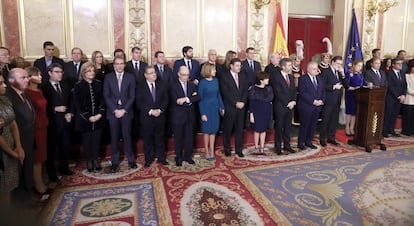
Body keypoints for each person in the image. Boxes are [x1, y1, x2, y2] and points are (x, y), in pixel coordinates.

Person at [103, 56, 137, 173]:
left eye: (121, 63)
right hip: (113, 114)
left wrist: (124, 110)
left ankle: (131, 160)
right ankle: (114, 162)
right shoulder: (108, 78)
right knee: (114, 138)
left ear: (124, 65)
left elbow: (132, 96)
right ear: (114, 65)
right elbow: (106, 96)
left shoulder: (130, 77)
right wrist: (115, 110)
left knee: (127, 137)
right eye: (117, 64)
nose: (119, 66)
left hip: (126, 113)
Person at [42, 63, 74, 182]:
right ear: (50, 73)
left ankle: (64, 168)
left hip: (65, 122)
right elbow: (42, 107)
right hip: (52, 124)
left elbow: (71, 102)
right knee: (51, 149)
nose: (60, 74)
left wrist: (70, 113)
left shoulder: (65, 86)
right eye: (57, 72)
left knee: (65, 146)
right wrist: (55, 109)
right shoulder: (44, 88)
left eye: (61, 72)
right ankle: (51, 173)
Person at [6, 68, 35, 192]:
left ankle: (28, 197)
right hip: (16, 142)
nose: (27, 79)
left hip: (29, 139)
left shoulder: (24, 93)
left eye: (27, 77)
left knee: (28, 170)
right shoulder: (8, 97)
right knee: (19, 175)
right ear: (11, 80)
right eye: (23, 78)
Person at [73, 62, 106, 172]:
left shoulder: (98, 83)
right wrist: (88, 117)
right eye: (89, 71)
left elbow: (102, 100)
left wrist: (100, 114)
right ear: (84, 72)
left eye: (93, 71)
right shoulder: (78, 85)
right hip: (85, 120)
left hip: (98, 118)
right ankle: (89, 160)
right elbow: (78, 104)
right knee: (87, 141)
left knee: (97, 140)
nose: (92, 73)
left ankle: (95, 159)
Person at [136, 66, 168, 167]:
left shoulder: (161, 84)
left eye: (154, 72)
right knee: (147, 139)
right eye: (150, 73)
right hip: (147, 118)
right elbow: (139, 102)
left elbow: (166, 99)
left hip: (160, 117)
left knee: (160, 139)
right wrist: (150, 111)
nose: (154, 74)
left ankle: (161, 158)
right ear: (145, 75)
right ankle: (148, 159)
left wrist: (160, 110)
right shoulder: (140, 86)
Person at [25, 67, 50, 197]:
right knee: (37, 158)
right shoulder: (26, 92)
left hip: (43, 126)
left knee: (42, 156)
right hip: (35, 128)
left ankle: (41, 181)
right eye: (37, 75)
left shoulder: (39, 91)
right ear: (29, 77)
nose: (41, 76)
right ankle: (38, 185)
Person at [0, 73, 24, 198]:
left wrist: (18, 146)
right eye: (0, 83)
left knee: (9, 184)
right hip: (3, 150)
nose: (5, 85)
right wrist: (12, 153)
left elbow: (13, 122)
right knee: (3, 185)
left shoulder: (5, 99)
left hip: (12, 144)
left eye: (4, 82)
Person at [169, 66, 200, 166]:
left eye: (187, 75)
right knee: (178, 138)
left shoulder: (191, 85)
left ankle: (188, 156)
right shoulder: (173, 85)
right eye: (184, 75)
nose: (186, 77)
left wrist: (186, 99)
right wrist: (190, 99)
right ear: (178, 74)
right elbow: (176, 100)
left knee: (189, 138)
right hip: (178, 116)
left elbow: (198, 97)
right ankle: (179, 157)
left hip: (190, 116)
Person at [219, 58, 248, 157]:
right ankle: (227, 149)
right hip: (230, 107)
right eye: (237, 65)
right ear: (231, 66)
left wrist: (243, 102)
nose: (239, 68)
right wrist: (235, 102)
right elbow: (225, 92)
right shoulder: (224, 76)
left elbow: (245, 91)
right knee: (227, 129)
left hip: (241, 108)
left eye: (240, 66)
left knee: (239, 130)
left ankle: (238, 150)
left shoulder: (243, 76)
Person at [319, 56, 348, 146]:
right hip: (328, 100)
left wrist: (343, 74)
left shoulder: (339, 73)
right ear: (332, 62)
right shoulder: (326, 72)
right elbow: (322, 86)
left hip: (337, 100)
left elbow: (346, 85)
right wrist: (333, 87)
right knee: (326, 120)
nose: (339, 66)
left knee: (334, 120)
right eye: (337, 63)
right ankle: (322, 138)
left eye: (340, 64)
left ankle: (331, 137)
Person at [270, 58, 296, 155]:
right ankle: (277, 147)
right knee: (279, 127)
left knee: (288, 127)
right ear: (283, 66)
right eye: (289, 65)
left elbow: (294, 90)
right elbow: (278, 93)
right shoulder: (276, 77)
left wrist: (293, 101)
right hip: (280, 106)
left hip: (290, 106)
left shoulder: (290, 77)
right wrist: (288, 103)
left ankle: (287, 145)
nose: (291, 67)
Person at [198, 63, 224, 160]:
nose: (215, 71)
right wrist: (203, 113)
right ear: (208, 70)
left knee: (213, 131)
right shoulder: (202, 82)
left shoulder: (216, 81)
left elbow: (218, 95)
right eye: (213, 70)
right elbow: (200, 99)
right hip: (206, 109)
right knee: (206, 131)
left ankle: (212, 150)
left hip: (215, 109)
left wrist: (222, 107)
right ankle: (206, 151)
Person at [297, 62, 325, 150]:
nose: (316, 70)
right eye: (314, 69)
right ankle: (301, 142)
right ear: (308, 69)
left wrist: (321, 101)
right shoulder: (303, 79)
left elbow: (323, 92)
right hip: (306, 106)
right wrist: (313, 101)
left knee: (313, 125)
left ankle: (309, 141)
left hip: (317, 107)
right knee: (305, 124)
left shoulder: (320, 79)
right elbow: (303, 93)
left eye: (316, 68)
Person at [344, 60, 372, 136]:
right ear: (354, 65)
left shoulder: (360, 75)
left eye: (361, 66)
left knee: (354, 113)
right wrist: (353, 88)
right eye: (358, 66)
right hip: (350, 95)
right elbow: (346, 85)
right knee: (349, 112)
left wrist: (369, 84)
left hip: (359, 96)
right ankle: (347, 127)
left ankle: (352, 128)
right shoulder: (349, 74)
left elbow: (364, 83)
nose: (360, 67)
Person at [248, 72, 273, 154]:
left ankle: (262, 146)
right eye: (266, 79)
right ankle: (256, 146)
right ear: (261, 80)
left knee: (263, 130)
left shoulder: (269, 88)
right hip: (256, 111)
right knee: (257, 130)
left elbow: (270, 98)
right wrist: (251, 114)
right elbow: (251, 102)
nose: (268, 80)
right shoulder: (253, 89)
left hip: (266, 111)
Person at [383, 58, 407, 138]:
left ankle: (391, 129)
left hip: (400, 98)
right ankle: (385, 131)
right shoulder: (389, 73)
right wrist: (398, 95)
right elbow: (390, 86)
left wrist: (403, 95)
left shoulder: (402, 73)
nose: (401, 65)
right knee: (388, 114)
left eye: (401, 64)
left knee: (394, 114)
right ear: (393, 65)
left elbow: (404, 85)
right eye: (398, 64)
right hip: (391, 97)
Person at [402, 64, 414, 136]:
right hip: (409, 97)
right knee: (408, 115)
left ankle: (412, 130)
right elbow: (406, 86)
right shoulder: (406, 76)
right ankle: (406, 130)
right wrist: (411, 92)